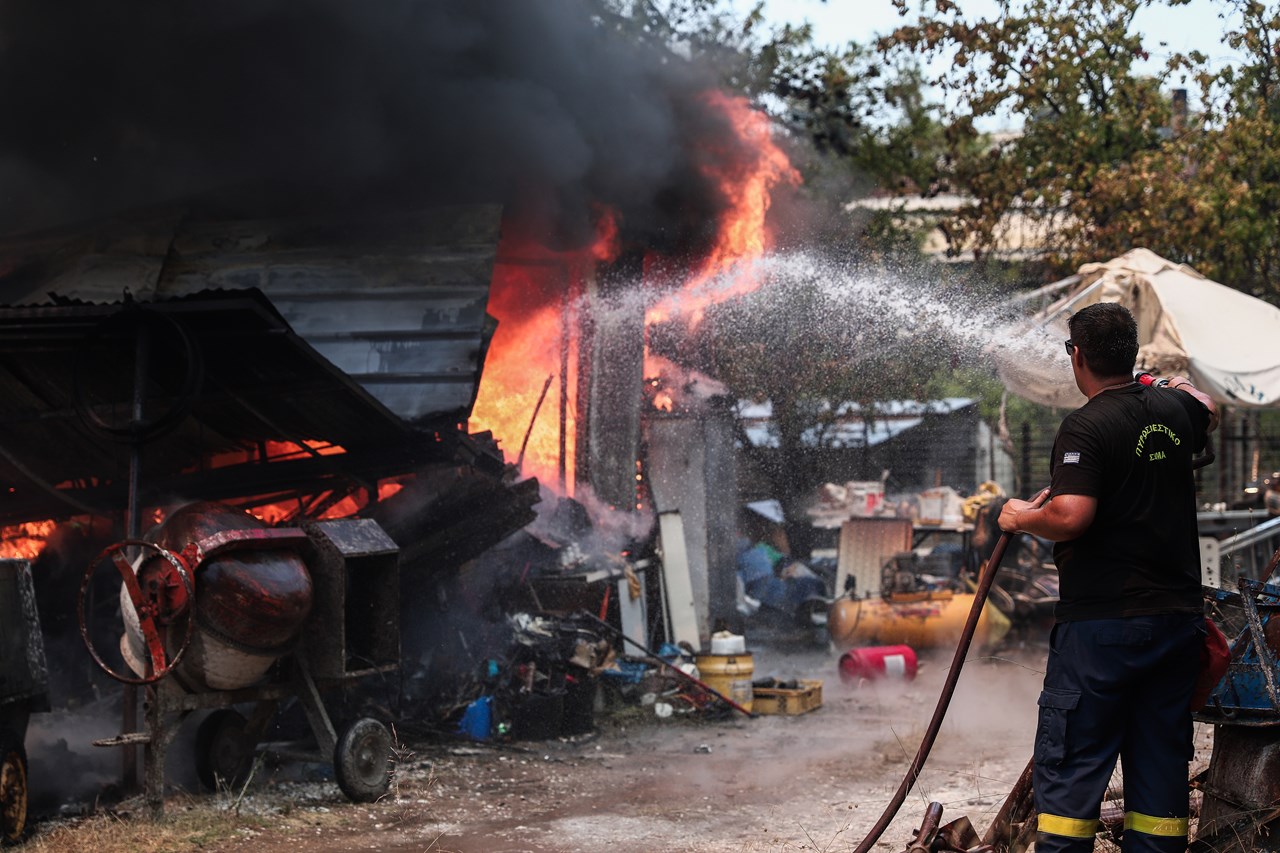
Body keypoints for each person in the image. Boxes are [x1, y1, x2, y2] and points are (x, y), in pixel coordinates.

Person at [998, 302, 1218, 853]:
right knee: (1159, 768)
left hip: (1102, 628)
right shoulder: (1174, 411)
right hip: (1174, 626)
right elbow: (1204, 405)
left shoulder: (1086, 425)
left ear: (1077, 356)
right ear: (1133, 353)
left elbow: (1071, 515)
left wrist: (1021, 517)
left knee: (1074, 767)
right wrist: (1154, 383)